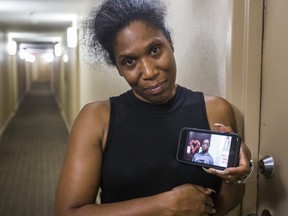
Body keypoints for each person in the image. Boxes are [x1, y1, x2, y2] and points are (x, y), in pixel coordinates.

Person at [55, 0, 252, 215]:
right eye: (129, 61)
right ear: (118, 68)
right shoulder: (96, 119)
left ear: (170, 43)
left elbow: (221, 206)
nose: (148, 72)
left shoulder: (215, 110)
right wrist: (163, 206)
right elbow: (68, 212)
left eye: (155, 50)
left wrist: (235, 176)